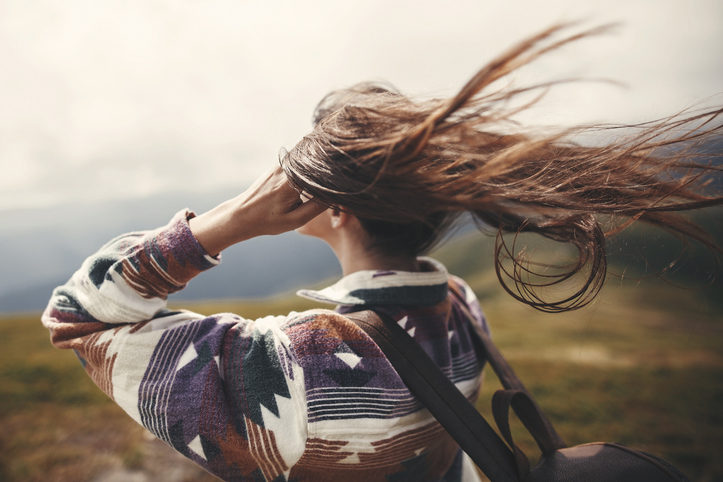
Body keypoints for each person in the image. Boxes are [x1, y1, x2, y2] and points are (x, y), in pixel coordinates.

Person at [42, 25, 720, 481]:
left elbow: (79, 316)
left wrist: (222, 224)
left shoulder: (286, 362)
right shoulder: (456, 304)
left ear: (333, 207)